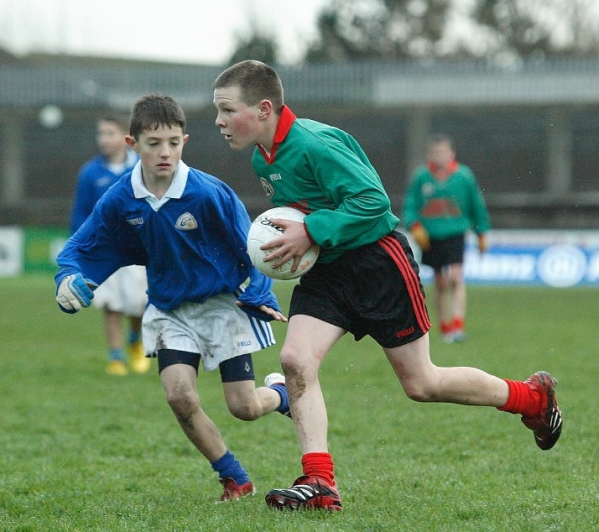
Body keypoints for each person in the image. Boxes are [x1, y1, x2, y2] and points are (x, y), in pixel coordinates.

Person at [212, 60, 563, 512]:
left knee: (422, 383)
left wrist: (312, 229)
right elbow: (305, 220)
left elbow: (374, 202)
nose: (219, 122)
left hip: (378, 264)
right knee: (296, 360)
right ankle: (320, 482)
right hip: (328, 273)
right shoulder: (264, 157)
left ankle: (531, 398)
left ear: (263, 108)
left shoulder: (314, 143)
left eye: (226, 110)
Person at [55, 94, 291, 502]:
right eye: (153, 144)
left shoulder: (208, 193)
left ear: (184, 140)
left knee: (244, 407)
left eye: (173, 143)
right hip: (168, 309)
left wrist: (258, 291)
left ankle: (281, 393)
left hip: (222, 305)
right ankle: (234, 477)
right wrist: (68, 276)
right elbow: (83, 246)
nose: (165, 153)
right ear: (134, 144)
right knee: (180, 397)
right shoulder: (120, 198)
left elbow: (249, 246)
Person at [71, 116, 150, 375]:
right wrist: (81, 249)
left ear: (126, 137)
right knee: (111, 305)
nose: (103, 139)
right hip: (104, 249)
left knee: (138, 304)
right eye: (100, 133)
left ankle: (135, 341)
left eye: (109, 133)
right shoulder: (90, 172)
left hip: (137, 249)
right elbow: (81, 214)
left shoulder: (143, 167)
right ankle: (115, 357)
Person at [402, 133, 491, 343]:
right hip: (431, 237)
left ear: (451, 153)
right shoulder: (421, 177)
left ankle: (458, 326)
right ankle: (445, 326)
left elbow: (476, 205)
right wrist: (414, 225)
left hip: (455, 234)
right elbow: (410, 205)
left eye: (442, 151)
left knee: (455, 277)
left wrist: (482, 232)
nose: (438, 155)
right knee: (440, 283)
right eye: (434, 152)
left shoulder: (464, 176)